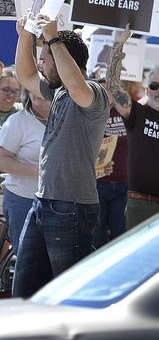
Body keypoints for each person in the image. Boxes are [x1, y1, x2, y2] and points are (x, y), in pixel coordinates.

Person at [12, 15, 110, 298]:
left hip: (72, 208)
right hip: (43, 203)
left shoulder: (93, 93)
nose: (42, 64)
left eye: (46, 58)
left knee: (69, 295)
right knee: (25, 290)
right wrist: (25, 37)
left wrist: (53, 37)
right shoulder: (58, 93)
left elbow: (77, 85)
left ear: (62, 55)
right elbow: (25, 76)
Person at [106, 34, 159, 226]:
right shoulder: (136, 113)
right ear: (147, 89)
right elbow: (113, 85)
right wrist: (119, 44)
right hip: (139, 203)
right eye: (154, 86)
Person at [0, 89, 50, 256]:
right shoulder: (17, 121)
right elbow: (2, 160)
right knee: (27, 261)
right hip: (22, 200)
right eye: (31, 86)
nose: (35, 91)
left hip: (58, 201)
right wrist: (37, 171)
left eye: (41, 86)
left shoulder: (65, 119)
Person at [89, 66, 129, 248]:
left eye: (109, 85)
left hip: (124, 186)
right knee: (96, 239)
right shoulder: (87, 112)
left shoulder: (127, 110)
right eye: (99, 85)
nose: (105, 90)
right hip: (96, 185)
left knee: (122, 239)